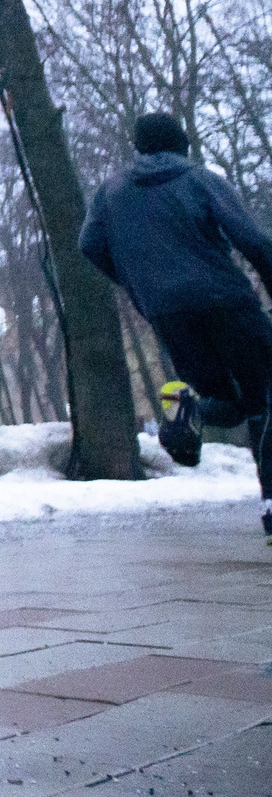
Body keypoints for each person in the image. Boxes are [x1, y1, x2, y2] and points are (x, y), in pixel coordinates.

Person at [81, 110, 272, 536]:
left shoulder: (110, 192)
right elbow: (253, 241)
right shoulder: (199, 179)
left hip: (167, 313)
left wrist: (135, 282)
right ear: (182, 145)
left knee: (229, 399)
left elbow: (89, 244)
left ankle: (190, 409)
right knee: (265, 399)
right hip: (226, 301)